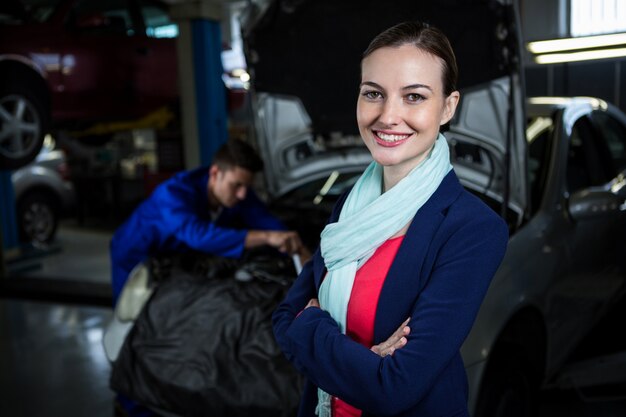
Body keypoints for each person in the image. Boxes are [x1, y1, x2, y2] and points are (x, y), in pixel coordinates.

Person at [272, 21, 509, 417]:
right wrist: (367, 358)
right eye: (373, 94)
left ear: (448, 107)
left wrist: (312, 328)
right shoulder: (352, 206)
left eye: (414, 96)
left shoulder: (472, 229)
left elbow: (395, 387)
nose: (387, 116)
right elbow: (282, 318)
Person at [110, 138, 309, 305]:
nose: (242, 194)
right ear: (215, 174)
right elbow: (199, 236)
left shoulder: (240, 195)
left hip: (174, 258)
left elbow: (267, 223)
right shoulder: (173, 194)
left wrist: (295, 245)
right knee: (132, 318)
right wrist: (266, 237)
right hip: (134, 257)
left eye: (247, 187)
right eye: (236, 185)